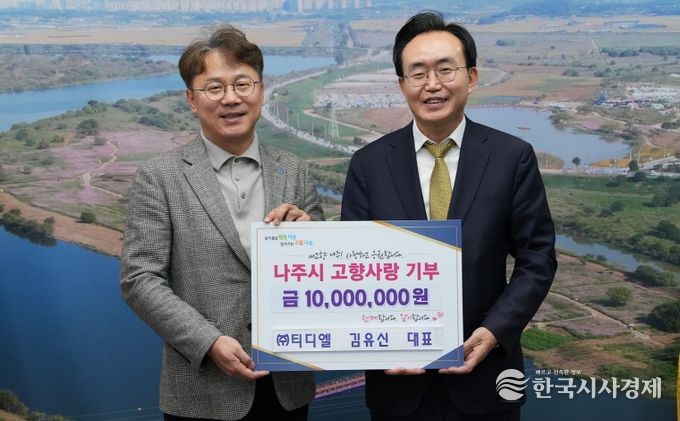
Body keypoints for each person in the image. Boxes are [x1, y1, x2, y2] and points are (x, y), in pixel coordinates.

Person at [341, 11, 557, 421]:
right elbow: (354, 269)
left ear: (471, 77)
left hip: (488, 379)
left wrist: (495, 331)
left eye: (445, 69)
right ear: (401, 84)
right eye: (418, 73)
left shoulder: (511, 158)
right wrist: (380, 345)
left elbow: (537, 258)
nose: (432, 84)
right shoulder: (368, 164)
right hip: (397, 386)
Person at [120, 24, 324, 421]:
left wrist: (311, 234)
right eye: (214, 88)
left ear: (261, 90)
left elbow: (321, 269)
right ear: (191, 100)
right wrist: (208, 341)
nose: (231, 98)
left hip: (287, 388)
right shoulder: (160, 176)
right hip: (202, 392)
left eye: (243, 84)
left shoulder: (295, 170)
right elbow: (139, 279)